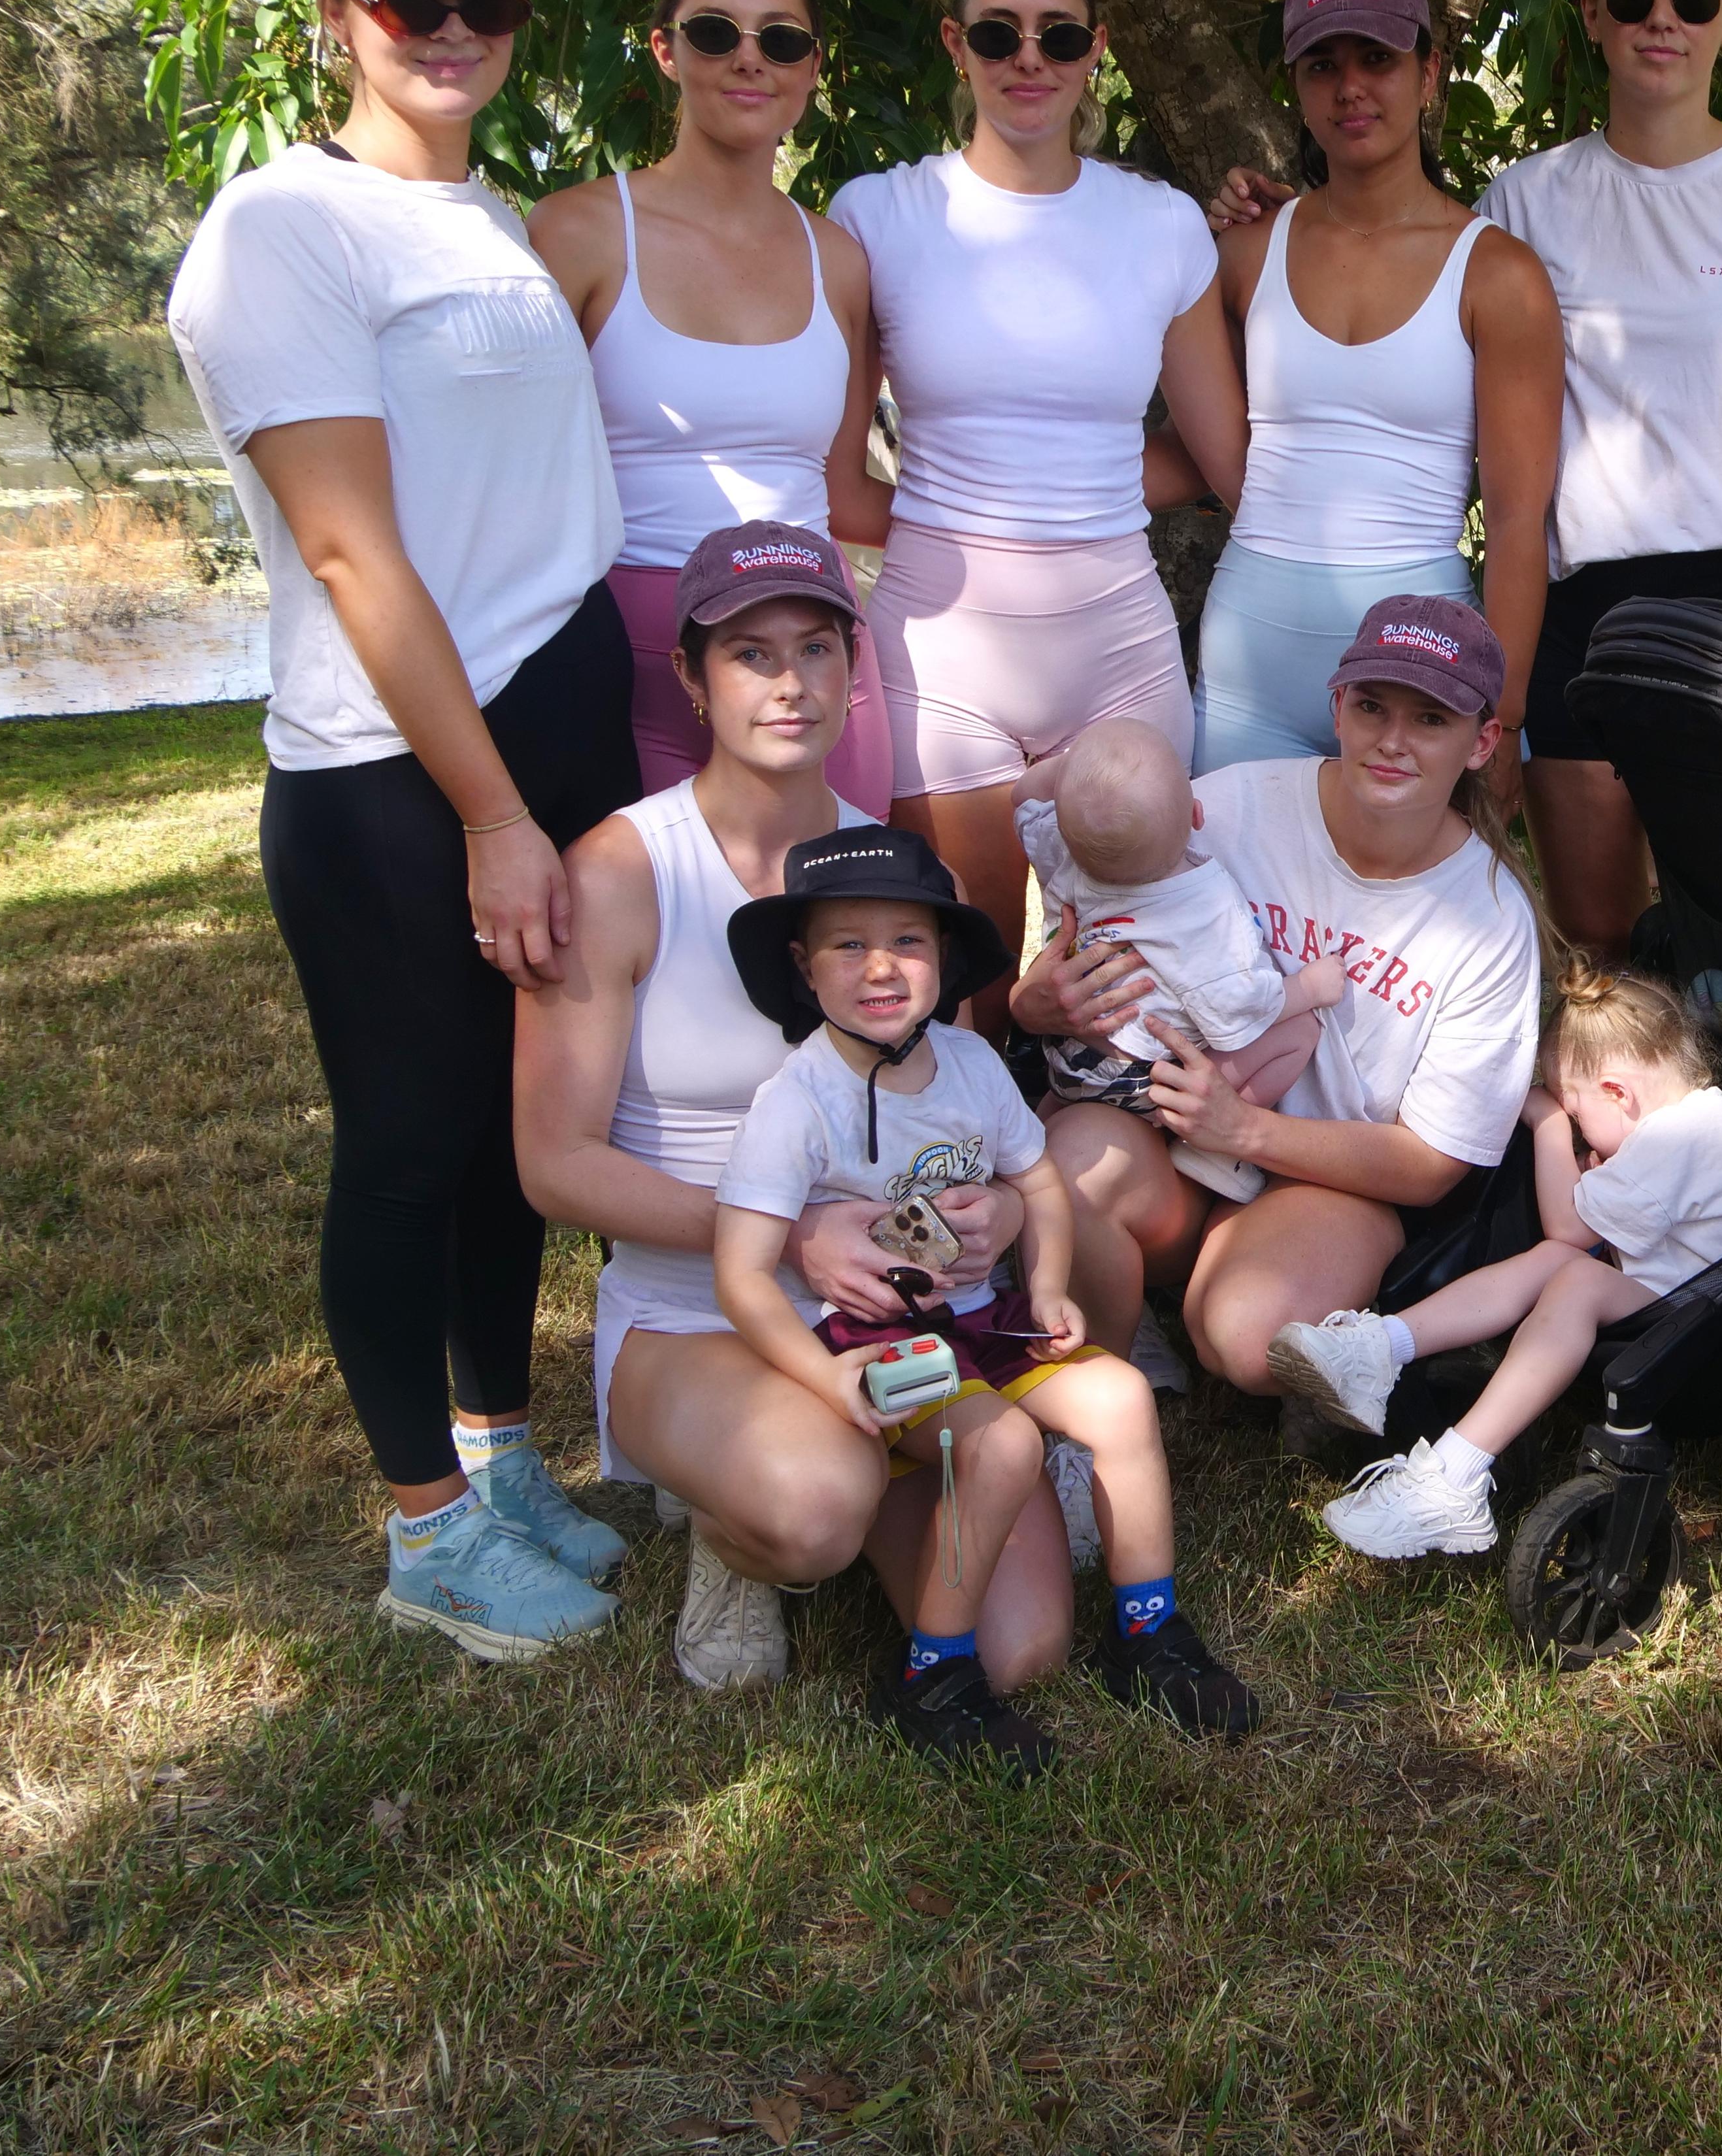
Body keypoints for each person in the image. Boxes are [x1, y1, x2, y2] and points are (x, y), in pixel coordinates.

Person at [167, 0, 640, 1659]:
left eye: (484, 3)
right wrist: (494, 813)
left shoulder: (491, 219)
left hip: (550, 714)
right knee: (409, 1138)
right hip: (398, 765)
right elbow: (356, 551)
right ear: (334, 6)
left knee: (516, 1135)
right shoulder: (281, 230)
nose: (451, 29)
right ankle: (427, 1528)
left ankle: (501, 1455)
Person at [1217, 0, 1722, 960]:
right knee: (1597, 935)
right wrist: (1285, 218)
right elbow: (1399, 278)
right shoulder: (1527, 200)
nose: (1662, 20)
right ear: (1592, 15)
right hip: (1579, 605)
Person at [514, 528, 1078, 1700]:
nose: (790, 684)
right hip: (694, 1316)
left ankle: (888, 1469)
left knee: (1022, 1647)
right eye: (751, 654)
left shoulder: (906, 872)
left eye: (816, 649)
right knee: (817, 1506)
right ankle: (732, 1526)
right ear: (691, 677)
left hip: (903, 1313)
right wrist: (785, 1235)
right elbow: (554, 1163)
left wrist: (996, 1213)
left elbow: (963, 1098)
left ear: (851, 667)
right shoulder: (622, 871)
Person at [714, 822, 1259, 1753]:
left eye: (907, 940)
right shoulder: (797, 1100)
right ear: (804, 968)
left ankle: (1148, 1630)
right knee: (1002, 1445)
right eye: (848, 945)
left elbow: (1038, 1182)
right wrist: (825, 1379)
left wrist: (1046, 1289)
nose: (880, 967)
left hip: (988, 1321)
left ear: (945, 955)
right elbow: (741, 1273)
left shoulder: (969, 1064)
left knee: (1123, 1397)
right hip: (879, 1346)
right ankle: (933, 1674)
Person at [827, 0, 1249, 1026]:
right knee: (953, 992)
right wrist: (957, 517)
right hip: (942, 650)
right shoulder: (879, 216)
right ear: (954, 43)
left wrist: (1089, 491)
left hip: (1118, 649)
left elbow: (1222, 460)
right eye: (998, 33)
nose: (1029, 58)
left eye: (1059, 35)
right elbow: (837, 482)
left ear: (1096, 48)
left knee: (1149, 995)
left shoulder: (1160, 226)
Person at [1010, 596, 1543, 1419]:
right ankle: (1096, 1385)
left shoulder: (1491, 919)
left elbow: (1435, 1164)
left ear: (1481, 743)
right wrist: (1037, 1004)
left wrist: (1246, 1131)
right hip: (1172, 1141)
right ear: (1336, 708)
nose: (1391, 740)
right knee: (1075, 1162)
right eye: (1371, 707)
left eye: (1430, 720)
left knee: (1241, 1335)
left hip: (1333, 1174)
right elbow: (1085, 923)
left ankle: (1290, 1318)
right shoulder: (1228, 807)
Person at [528, 0, 893, 816]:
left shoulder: (840, 261)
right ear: (666, 49)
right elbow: (516, 483)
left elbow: (847, 492)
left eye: (782, 40)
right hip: (635, 656)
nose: (750, 59)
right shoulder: (575, 234)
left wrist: (1029, 529)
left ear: (812, 67)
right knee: (644, 903)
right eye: (716, 31)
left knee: (842, 899)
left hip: (817, 650)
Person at [1191, 0, 1561, 778]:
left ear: (1429, 75)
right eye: (1322, 64)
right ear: (1295, 85)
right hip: (1251, 671)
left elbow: (1515, 522)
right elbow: (1197, 439)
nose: (1349, 87)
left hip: (1419, 678)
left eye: (1377, 59)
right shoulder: (1244, 252)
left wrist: (1500, 717)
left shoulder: (1498, 276)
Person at [1270, 965, 1722, 1555]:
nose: (1579, 1130)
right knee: (1557, 1263)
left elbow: (1569, 1225)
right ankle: (1381, 1348)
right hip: (1694, 1302)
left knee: (1574, 1275)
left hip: (1717, 1338)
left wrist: (1548, 1122)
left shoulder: (1681, 1137)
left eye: (1579, 1112)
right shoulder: (1698, 1121)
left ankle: (1456, 1476)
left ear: (1618, 1093)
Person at [1016, 716, 1353, 1201]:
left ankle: (1040, 1130)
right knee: (1302, 1029)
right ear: (1198, 814)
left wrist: (1072, 767)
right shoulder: (1202, 909)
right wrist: (1310, 987)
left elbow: (1026, 795)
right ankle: (1210, 1147)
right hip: (1144, 1081)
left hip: (1065, 1057)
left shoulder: (1062, 852)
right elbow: (1239, 1010)